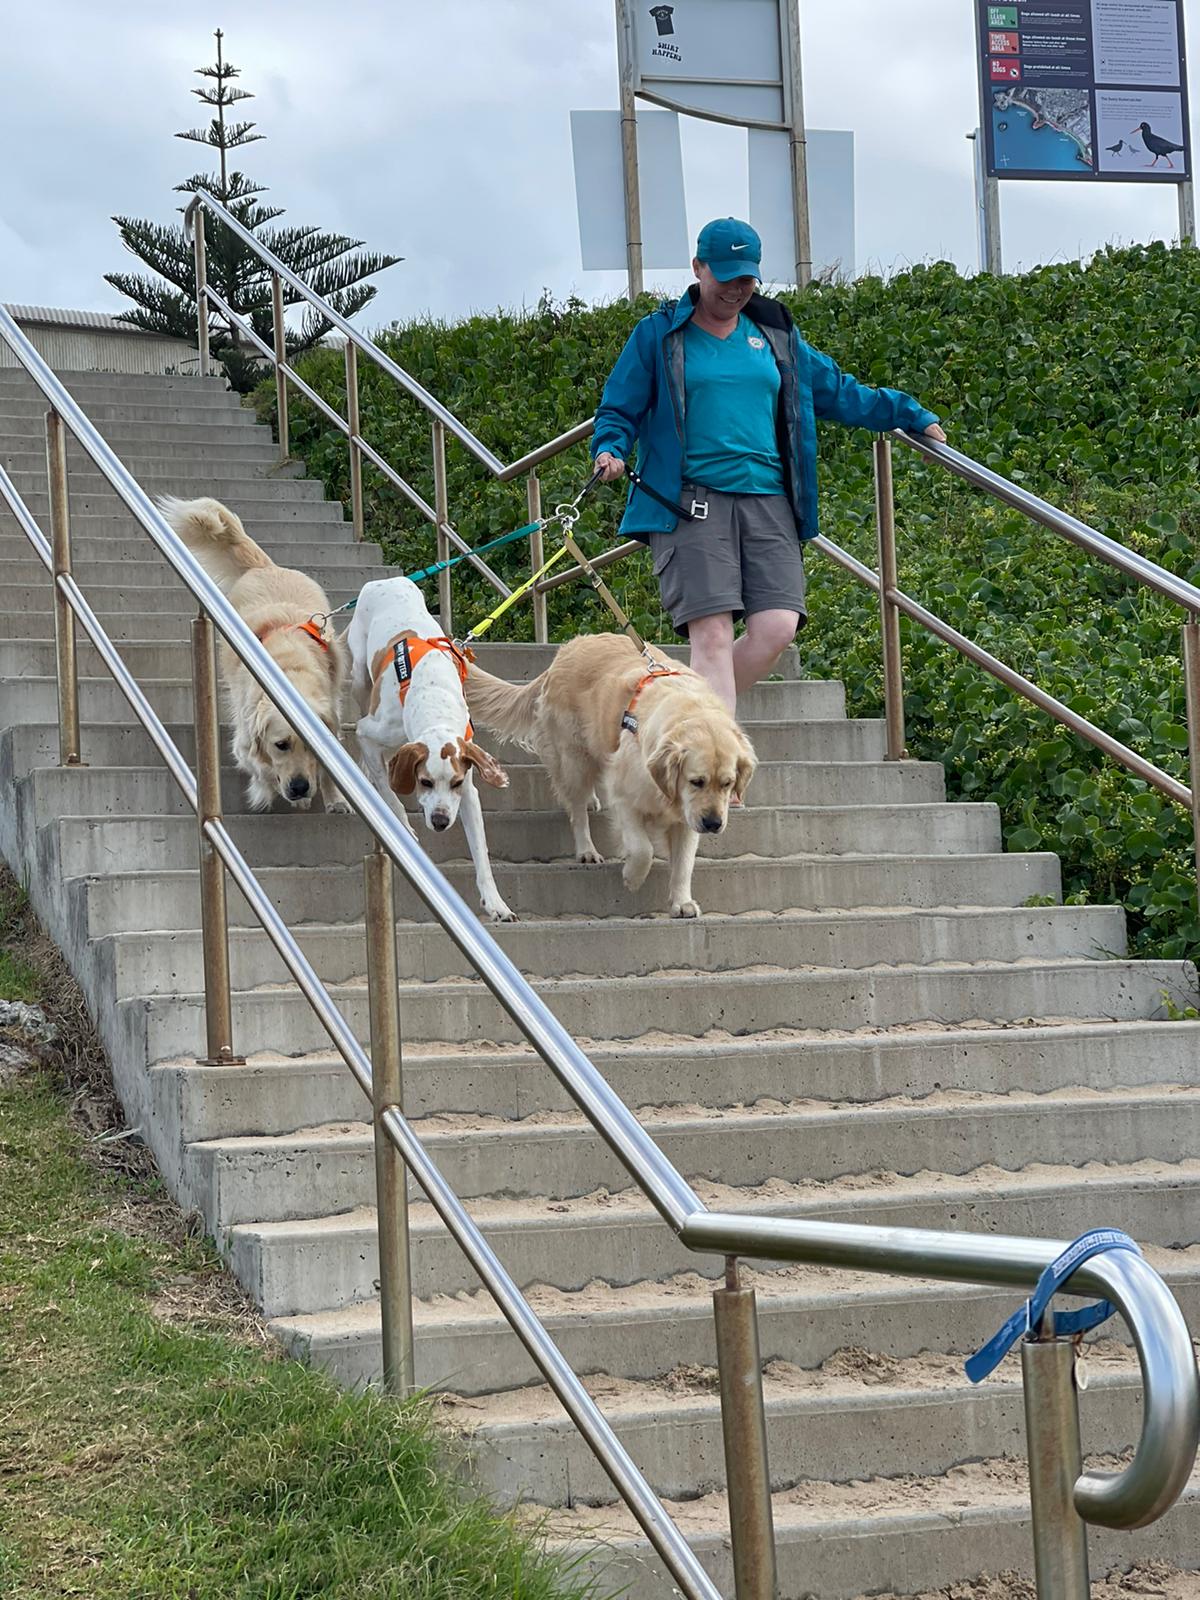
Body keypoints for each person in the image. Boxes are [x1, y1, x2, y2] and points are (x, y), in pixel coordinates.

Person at [592, 218, 947, 712]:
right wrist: (609, 448)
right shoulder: (659, 335)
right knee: (712, 636)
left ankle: (671, 713)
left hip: (769, 499)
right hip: (690, 502)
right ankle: (721, 784)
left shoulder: (775, 334)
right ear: (698, 269)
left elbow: (839, 391)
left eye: (747, 278)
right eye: (726, 276)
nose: (737, 290)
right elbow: (619, 408)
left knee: (777, 626)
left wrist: (909, 413)